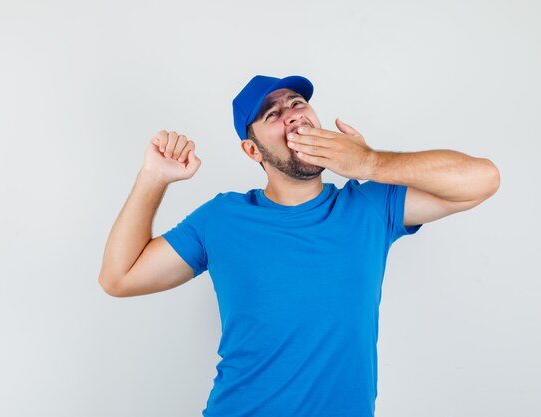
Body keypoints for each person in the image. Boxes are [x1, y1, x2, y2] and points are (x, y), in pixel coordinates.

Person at [98, 74, 501, 417]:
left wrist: (370, 163)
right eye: (272, 114)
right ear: (252, 150)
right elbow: (120, 278)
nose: (292, 113)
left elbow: (482, 179)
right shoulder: (221, 218)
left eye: (298, 103)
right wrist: (153, 178)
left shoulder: (369, 205)